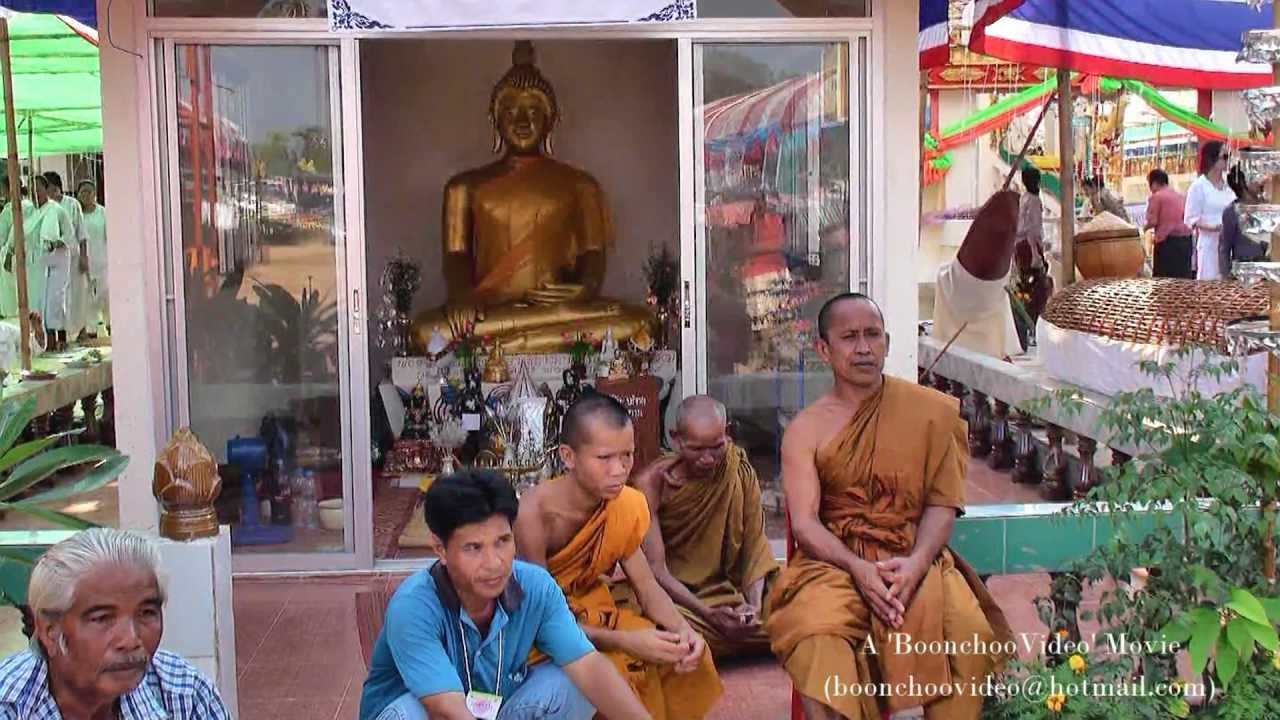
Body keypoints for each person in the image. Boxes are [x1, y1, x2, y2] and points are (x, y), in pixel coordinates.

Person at [766, 293, 1014, 720]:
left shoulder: (929, 413)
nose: (863, 347)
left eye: (872, 335)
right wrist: (858, 570)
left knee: (968, 637)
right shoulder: (805, 430)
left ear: (887, 341)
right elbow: (805, 524)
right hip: (835, 564)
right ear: (824, 349)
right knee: (812, 634)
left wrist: (916, 563)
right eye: (849, 337)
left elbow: (942, 505)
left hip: (911, 555)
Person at [360, 468, 651, 720]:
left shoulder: (536, 586)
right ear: (440, 549)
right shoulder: (413, 604)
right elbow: (446, 710)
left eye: (502, 541)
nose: (494, 562)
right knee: (411, 712)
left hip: (493, 708)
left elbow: (587, 666)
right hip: (432, 712)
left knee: (577, 684)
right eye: (473, 548)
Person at [515, 394, 723, 720]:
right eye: (604, 458)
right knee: (619, 669)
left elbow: (647, 586)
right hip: (541, 633)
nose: (620, 470)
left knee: (684, 653)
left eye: (626, 455)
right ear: (568, 457)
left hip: (595, 612)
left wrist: (686, 631)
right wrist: (626, 641)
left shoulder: (625, 504)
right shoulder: (533, 515)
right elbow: (541, 621)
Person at [0, 528, 231, 718]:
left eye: (147, 613)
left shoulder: (185, 693)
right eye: (102, 619)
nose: (131, 639)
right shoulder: (10, 707)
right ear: (50, 632)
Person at [624, 395, 779, 659]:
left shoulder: (736, 468)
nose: (708, 459)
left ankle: (739, 632)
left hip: (731, 591)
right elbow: (656, 571)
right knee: (649, 625)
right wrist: (709, 615)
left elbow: (755, 548)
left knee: (801, 607)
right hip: (679, 599)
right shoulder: (650, 483)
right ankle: (738, 637)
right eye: (696, 449)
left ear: (727, 434)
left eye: (716, 447)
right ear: (676, 438)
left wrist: (752, 609)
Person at [44, 172, 89, 341]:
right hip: (54, 260)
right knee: (56, 298)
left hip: (73, 256)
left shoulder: (72, 204)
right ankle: (60, 336)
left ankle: (80, 331)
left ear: (55, 188)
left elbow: (81, 233)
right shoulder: (44, 207)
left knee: (76, 295)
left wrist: (84, 257)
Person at [1184, 140, 1237, 280]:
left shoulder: (1230, 185)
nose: (1228, 160)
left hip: (1231, 245)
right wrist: (1213, 227)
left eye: (1229, 156)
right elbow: (1190, 219)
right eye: (1225, 156)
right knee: (1210, 285)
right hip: (1209, 244)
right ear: (1212, 159)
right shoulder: (1198, 187)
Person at [31, 176, 73, 351]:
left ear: (46, 189)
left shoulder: (56, 210)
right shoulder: (32, 212)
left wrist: (58, 243)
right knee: (42, 303)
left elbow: (69, 234)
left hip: (60, 260)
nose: (36, 193)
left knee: (56, 301)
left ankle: (60, 340)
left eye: (39, 189)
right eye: (33, 189)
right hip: (42, 263)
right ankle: (48, 343)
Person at [1220, 164, 1269, 280]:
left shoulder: (1267, 207)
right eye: (1253, 177)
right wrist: (1226, 278)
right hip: (1243, 274)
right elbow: (1224, 248)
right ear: (1243, 183)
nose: (1260, 180)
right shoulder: (1231, 212)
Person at [1143, 168, 1194, 278]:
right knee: (1183, 280)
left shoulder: (1157, 197)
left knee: (1163, 281)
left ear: (1154, 183)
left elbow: (1153, 221)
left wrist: (1143, 229)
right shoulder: (1180, 196)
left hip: (1168, 244)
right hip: (1186, 242)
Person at [77, 180, 109, 335]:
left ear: (95, 193)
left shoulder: (103, 213)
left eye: (89, 191)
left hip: (103, 264)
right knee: (88, 303)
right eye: (82, 192)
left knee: (107, 300)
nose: (86, 195)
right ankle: (91, 335)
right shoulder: (77, 215)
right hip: (84, 266)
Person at [0, 182, 33, 319]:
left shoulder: (13, 208)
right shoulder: (31, 205)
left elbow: (4, 234)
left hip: (12, 252)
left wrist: (8, 253)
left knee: (12, 294)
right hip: (26, 253)